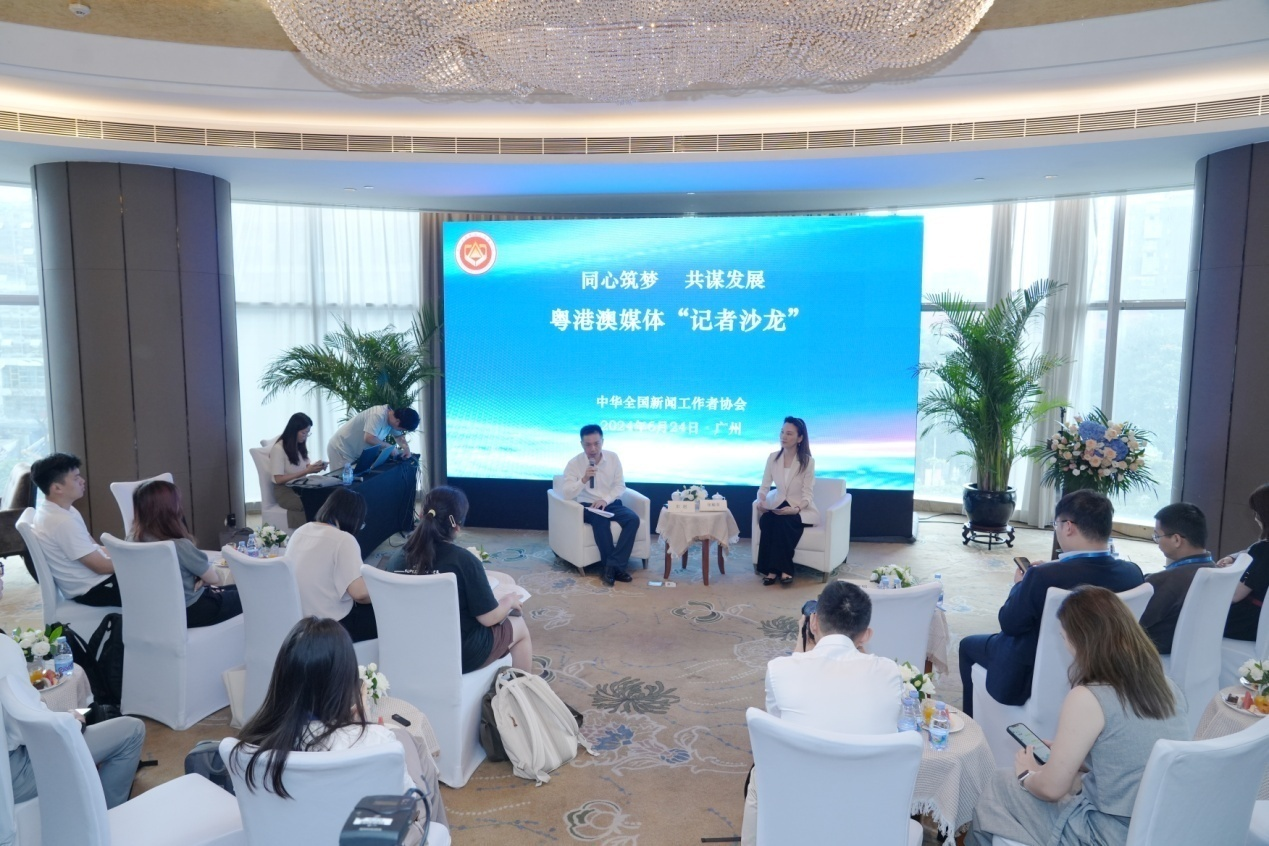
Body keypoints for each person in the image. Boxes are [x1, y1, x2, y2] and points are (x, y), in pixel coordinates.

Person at [967, 586, 1189, 846]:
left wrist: (1027, 775)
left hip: (1107, 835)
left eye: (1063, 637)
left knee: (999, 785)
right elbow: (1133, 755)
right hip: (1163, 827)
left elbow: (1051, 789)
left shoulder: (1089, 696)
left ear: (1078, 639)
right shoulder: (1167, 686)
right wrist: (1072, 757)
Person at [231, 617, 445, 825]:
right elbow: (407, 807)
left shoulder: (248, 744)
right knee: (411, 746)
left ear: (282, 678)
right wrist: (366, 729)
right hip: (364, 834)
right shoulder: (377, 741)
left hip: (289, 834)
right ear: (344, 681)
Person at [739, 580, 902, 846]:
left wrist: (801, 642)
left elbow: (779, 733)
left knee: (759, 774)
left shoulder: (780, 670)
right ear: (866, 635)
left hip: (801, 796)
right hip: (863, 800)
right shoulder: (890, 673)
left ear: (813, 621)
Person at [957, 490, 1144, 717]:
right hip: (1105, 674)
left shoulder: (1043, 577)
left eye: (1057, 524)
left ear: (1068, 527)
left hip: (1029, 677)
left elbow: (1010, 623)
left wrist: (1020, 586)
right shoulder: (1133, 573)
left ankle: (971, 726)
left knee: (967, 645)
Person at [387, 486, 533, 672]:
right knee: (519, 626)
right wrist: (508, 600)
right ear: (457, 527)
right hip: (458, 653)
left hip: (407, 648)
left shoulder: (396, 559)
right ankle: (522, 688)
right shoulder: (464, 561)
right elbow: (489, 618)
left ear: (422, 516)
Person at [1, 633, 145, 809]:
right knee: (133, 730)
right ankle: (107, 817)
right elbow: (26, 729)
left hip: (11, 766)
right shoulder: (4, 648)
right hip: (12, 775)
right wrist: (74, 722)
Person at [129, 479, 243, 628]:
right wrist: (201, 577)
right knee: (250, 592)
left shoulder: (132, 540)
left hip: (156, 612)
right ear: (171, 510)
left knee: (237, 590)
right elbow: (215, 579)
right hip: (193, 610)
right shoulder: (180, 546)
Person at [28, 452, 121, 607]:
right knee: (157, 582)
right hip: (93, 590)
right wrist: (137, 562)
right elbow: (101, 567)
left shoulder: (62, 510)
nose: (82, 481)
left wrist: (130, 555)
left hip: (95, 582)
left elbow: (95, 547)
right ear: (57, 487)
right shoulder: (61, 522)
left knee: (153, 573)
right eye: (76, 478)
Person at [287, 488, 376, 642]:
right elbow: (360, 594)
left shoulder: (301, 531)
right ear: (354, 519)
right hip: (330, 628)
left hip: (298, 622)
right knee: (383, 610)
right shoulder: (343, 539)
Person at [558, 424, 641, 586]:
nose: (593, 449)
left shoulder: (613, 458)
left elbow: (620, 486)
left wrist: (606, 500)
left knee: (633, 519)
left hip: (609, 503)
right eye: (588, 445)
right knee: (600, 521)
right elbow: (567, 493)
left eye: (596, 443)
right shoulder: (574, 463)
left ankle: (611, 567)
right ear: (581, 444)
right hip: (587, 506)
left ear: (602, 441)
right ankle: (615, 569)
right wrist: (583, 479)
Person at [1138, 502, 1215, 654]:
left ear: (1176, 540)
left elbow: (1132, 623)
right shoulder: (1215, 569)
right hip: (1193, 649)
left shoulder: (1164, 581)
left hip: (1152, 653)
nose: (1157, 543)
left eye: (1157, 536)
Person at [754, 417, 817, 586]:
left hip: (800, 508)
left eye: (789, 433)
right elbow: (764, 486)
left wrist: (797, 509)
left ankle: (782, 570)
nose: (783, 436)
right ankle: (773, 569)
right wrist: (761, 500)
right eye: (782, 432)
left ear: (800, 438)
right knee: (767, 520)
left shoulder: (807, 462)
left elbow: (808, 494)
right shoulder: (773, 458)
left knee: (784, 523)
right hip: (778, 503)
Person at [1224, 483, 1269, 641]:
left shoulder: (1263, 551)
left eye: (1257, 512)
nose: (1255, 517)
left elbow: (1235, 595)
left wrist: (1229, 572)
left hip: (1253, 623)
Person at [268, 412, 327, 529]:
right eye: (303, 433)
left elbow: (305, 466)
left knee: (325, 497)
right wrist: (306, 471)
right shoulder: (278, 449)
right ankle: (308, 532)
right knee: (310, 503)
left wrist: (316, 467)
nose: (306, 436)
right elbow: (278, 479)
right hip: (285, 491)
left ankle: (319, 531)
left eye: (308, 433)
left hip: (301, 486)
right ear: (293, 431)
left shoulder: (299, 445)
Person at [326, 405, 419, 474]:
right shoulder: (377, 415)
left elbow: (399, 436)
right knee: (342, 483)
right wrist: (389, 447)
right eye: (402, 429)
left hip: (353, 452)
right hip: (340, 448)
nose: (401, 431)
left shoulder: (393, 420)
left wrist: (406, 449)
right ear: (398, 421)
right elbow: (369, 438)